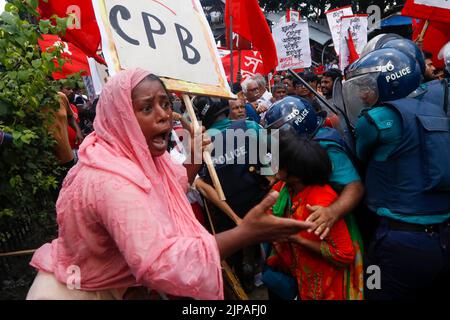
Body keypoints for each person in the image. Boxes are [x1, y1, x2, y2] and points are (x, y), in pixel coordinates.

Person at [27, 68, 311, 300]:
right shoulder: (109, 179)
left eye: (165, 103)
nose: (163, 114)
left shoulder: (135, 154)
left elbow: (172, 187)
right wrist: (248, 232)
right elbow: (160, 263)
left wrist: (195, 159)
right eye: (146, 108)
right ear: (120, 117)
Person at [344, 47, 450, 299]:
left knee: (373, 289)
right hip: (444, 237)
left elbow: (361, 152)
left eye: (368, 85)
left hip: (398, 241)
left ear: (387, 84)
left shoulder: (375, 119)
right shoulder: (437, 111)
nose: (363, 93)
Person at [265, 96, 365, 299]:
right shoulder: (293, 173)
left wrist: (331, 212)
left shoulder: (326, 148)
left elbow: (354, 186)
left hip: (334, 229)